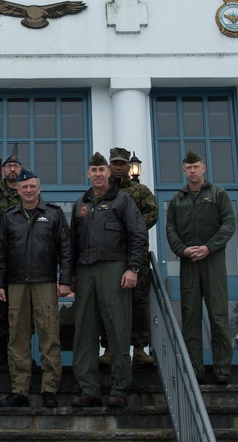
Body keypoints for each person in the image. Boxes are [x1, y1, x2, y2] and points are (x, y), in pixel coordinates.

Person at [69, 152, 147, 409]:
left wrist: (133, 268)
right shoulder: (80, 203)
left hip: (114, 269)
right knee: (84, 330)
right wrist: (68, 277)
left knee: (118, 328)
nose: (98, 174)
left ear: (108, 173)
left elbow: (138, 235)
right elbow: (71, 243)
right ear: (88, 174)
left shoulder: (123, 200)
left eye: (102, 169)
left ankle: (120, 388)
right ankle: (88, 388)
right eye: (94, 170)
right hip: (84, 270)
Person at [0, 168, 72, 409]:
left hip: (45, 281)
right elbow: (1, 254)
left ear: (39, 189)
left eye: (32, 186)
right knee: (17, 337)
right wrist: (0, 284)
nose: (28, 190)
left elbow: (66, 250)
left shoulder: (54, 214)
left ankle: (49, 388)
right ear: (17, 190)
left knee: (49, 335)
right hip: (16, 283)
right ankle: (19, 390)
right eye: (23, 187)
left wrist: (66, 280)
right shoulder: (9, 217)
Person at [165, 150, 237, 385]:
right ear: (184, 170)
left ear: (204, 168)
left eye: (197, 166)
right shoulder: (177, 200)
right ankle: (195, 369)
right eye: (189, 167)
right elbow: (171, 231)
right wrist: (183, 250)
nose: (193, 170)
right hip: (188, 263)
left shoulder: (218, 194)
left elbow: (228, 224)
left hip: (212, 260)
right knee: (191, 316)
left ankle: (222, 368)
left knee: (218, 315)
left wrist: (209, 247)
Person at [100, 146, 159, 366]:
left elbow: (153, 213)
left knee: (139, 304)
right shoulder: (103, 192)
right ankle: (107, 348)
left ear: (127, 166)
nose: (118, 167)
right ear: (109, 166)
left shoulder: (140, 191)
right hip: (110, 255)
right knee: (107, 303)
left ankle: (140, 348)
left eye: (122, 164)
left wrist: (131, 227)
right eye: (114, 164)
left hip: (136, 257)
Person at [0, 146, 24, 366]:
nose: (12, 169)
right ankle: (2, 353)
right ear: (3, 171)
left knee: (24, 311)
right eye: (9, 166)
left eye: (16, 166)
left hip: (23, 263)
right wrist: (11, 234)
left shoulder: (27, 191)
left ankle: (24, 353)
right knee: (0, 309)